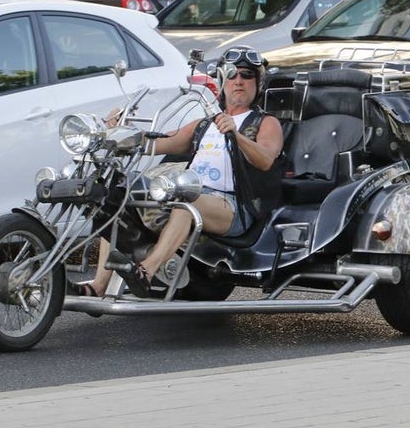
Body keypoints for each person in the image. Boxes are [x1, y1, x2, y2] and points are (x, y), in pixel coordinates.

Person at [71, 46, 284, 297]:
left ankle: (146, 273)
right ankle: (97, 286)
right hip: (188, 191)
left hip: (234, 206)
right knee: (118, 201)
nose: (239, 81)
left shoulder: (266, 122)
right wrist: (118, 132)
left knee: (187, 202)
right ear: (222, 81)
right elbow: (157, 142)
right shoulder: (205, 123)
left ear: (258, 83)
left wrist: (236, 136)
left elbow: (266, 160)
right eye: (232, 74)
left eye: (247, 75)